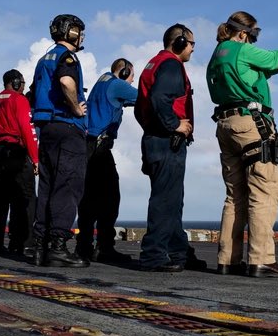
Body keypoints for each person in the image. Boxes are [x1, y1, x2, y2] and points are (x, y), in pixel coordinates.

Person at [205, 12, 278, 278]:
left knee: (234, 196)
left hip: (226, 125)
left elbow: (264, 70)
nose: (252, 41)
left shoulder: (218, 55)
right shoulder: (241, 49)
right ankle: (261, 259)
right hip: (251, 125)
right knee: (264, 192)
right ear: (243, 33)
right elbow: (273, 58)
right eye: (252, 35)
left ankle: (227, 260)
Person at [135, 23, 207, 273]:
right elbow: (158, 99)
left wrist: (153, 127)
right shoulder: (171, 65)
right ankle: (153, 255)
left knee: (172, 201)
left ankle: (179, 253)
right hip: (167, 142)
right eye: (192, 44)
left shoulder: (154, 63)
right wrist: (175, 125)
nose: (193, 49)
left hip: (155, 139)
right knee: (166, 200)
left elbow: (140, 106)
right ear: (179, 43)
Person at [28, 14, 89, 268]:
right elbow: (66, 81)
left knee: (47, 187)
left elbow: (32, 93)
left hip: (47, 130)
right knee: (67, 186)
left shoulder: (44, 59)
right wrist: (75, 108)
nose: (82, 36)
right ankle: (59, 247)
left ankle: (40, 247)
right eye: (79, 31)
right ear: (69, 32)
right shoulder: (68, 57)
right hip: (67, 127)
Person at [76, 58, 138, 264]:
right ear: (124, 72)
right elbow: (144, 97)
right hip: (100, 147)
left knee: (88, 198)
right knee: (111, 197)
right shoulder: (118, 84)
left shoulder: (102, 82)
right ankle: (105, 247)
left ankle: (84, 245)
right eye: (132, 77)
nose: (131, 81)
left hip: (88, 145)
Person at [0, 69, 39, 256]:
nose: (23, 87)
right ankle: (24, 243)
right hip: (15, 150)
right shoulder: (19, 99)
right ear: (15, 83)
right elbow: (27, 129)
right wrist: (35, 158)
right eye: (22, 83)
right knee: (26, 197)